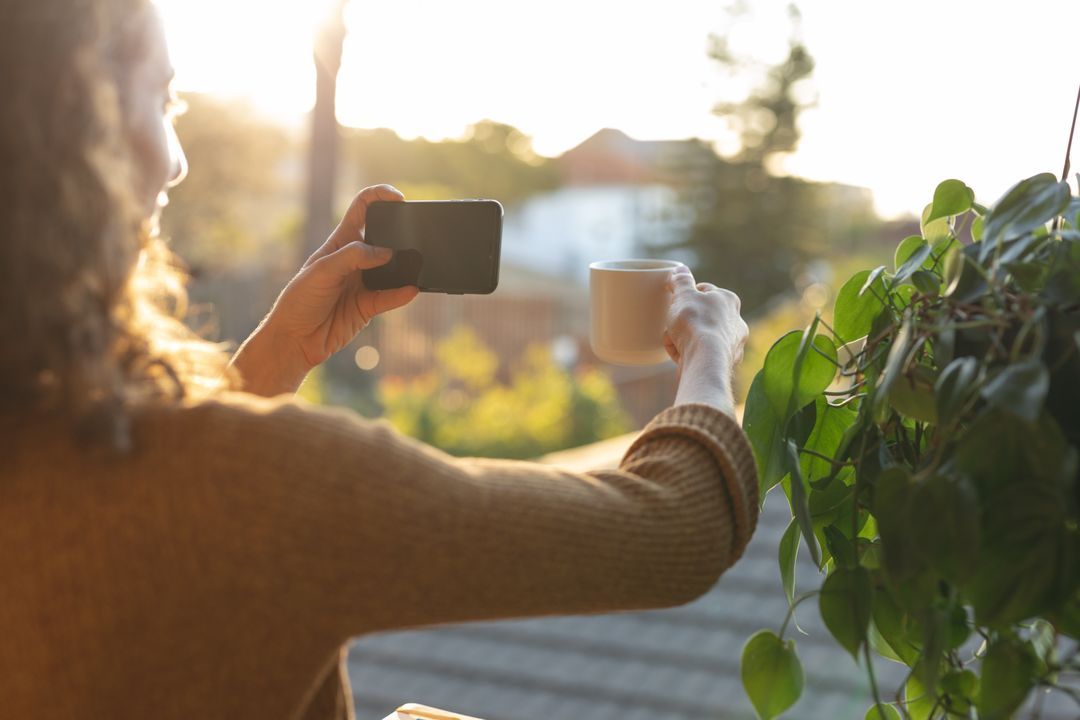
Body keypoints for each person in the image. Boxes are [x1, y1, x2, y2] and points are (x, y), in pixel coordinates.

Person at [0, 2, 756, 719]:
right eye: (167, 102)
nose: (177, 164)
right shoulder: (259, 487)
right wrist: (709, 349)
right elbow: (675, 531)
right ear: (90, 131)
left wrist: (276, 359)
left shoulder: (41, 438)